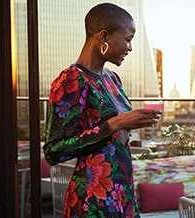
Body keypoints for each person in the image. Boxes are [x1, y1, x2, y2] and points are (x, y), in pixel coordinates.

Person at [43, 3, 161, 217]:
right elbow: (53, 151)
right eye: (127, 39)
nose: (130, 48)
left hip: (121, 193)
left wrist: (136, 121)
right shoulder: (71, 80)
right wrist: (116, 123)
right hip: (92, 200)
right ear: (104, 37)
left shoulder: (112, 79)